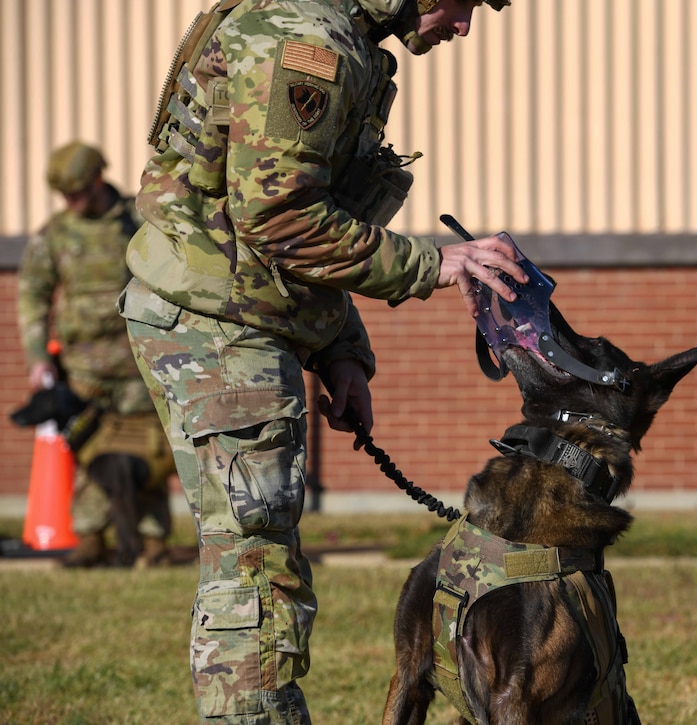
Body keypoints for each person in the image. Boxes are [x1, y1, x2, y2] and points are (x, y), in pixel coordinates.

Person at [120, 0, 522, 721]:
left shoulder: (340, 37)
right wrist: (434, 264)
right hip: (217, 321)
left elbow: (310, 218)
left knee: (259, 547)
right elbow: (278, 217)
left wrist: (342, 350)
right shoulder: (307, 42)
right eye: (466, 3)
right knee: (255, 563)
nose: (464, 25)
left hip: (241, 311)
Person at [17, 141, 175, 568]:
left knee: (150, 451)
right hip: (85, 369)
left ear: (97, 180)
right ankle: (90, 536)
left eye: (78, 192)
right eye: (65, 196)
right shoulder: (56, 234)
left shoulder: (138, 221)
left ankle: (153, 540)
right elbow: (32, 294)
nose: (72, 202)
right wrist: (37, 357)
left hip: (137, 361)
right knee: (89, 451)